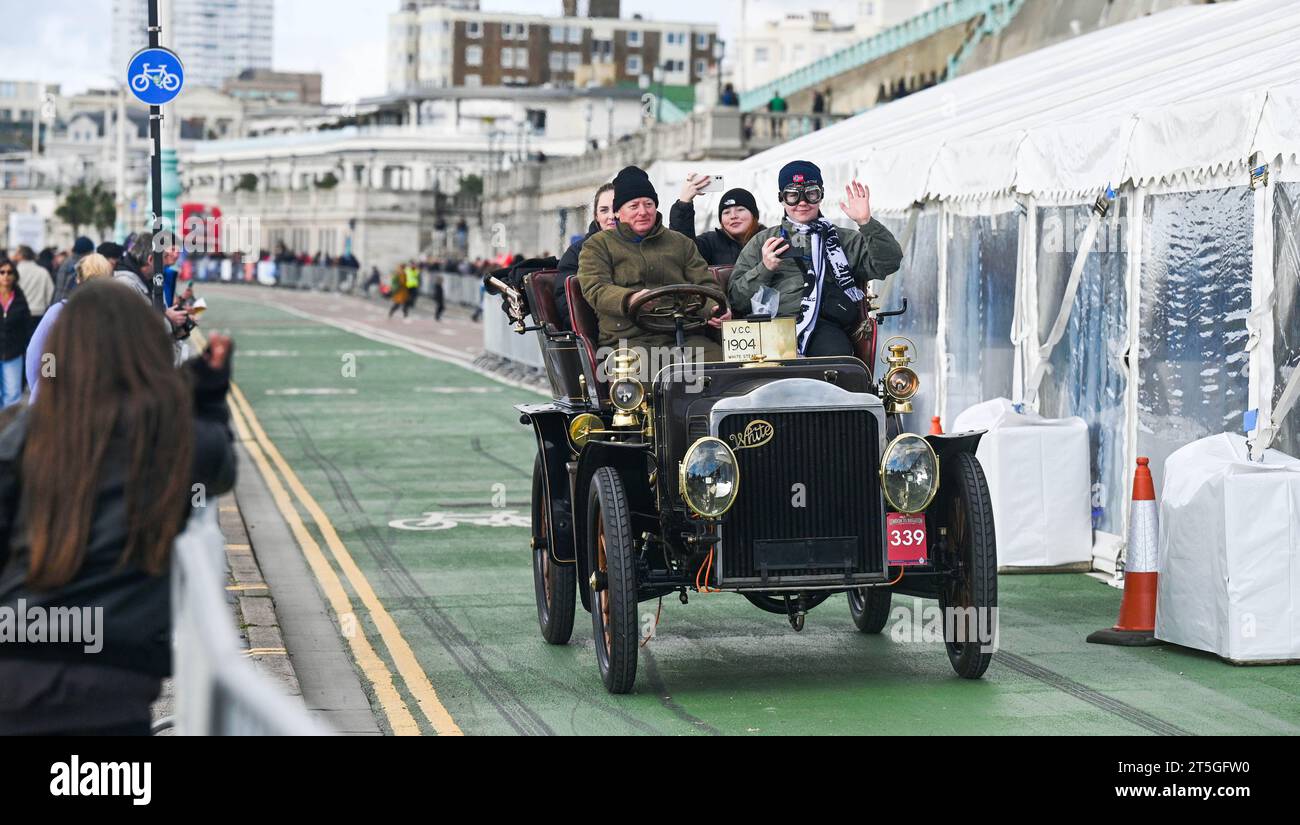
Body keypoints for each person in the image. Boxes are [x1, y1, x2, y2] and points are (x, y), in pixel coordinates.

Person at [0, 281, 236, 736]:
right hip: (115, 682)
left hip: (16, 668)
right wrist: (208, 401)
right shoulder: (170, 435)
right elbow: (220, 465)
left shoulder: (20, 432)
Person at [730, 160, 904, 358]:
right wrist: (764, 268)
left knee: (837, 362)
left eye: (811, 194)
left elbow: (889, 263)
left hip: (824, 327)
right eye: (793, 195)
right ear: (782, 199)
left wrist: (866, 223)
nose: (802, 202)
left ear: (821, 196)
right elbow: (736, 300)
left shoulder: (843, 240)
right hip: (771, 327)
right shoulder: (762, 241)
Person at [576, 166, 727, 361]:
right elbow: (595, 288)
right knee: (643, 377)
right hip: (626, 340)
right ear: (618, 213)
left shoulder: (681, 243)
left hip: (682, 335)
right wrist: (630, 299)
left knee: (722, 367)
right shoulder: (597, 245)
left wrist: (715, 308)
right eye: (634, 206)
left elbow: (705, 284)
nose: (643, 212)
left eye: (648, 204)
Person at [26, 253, 115, 405]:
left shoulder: (58, 312)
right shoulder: (116, 315)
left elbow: (36, 355)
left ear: (78, 279)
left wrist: (44, 384)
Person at [555, 182, 616, 329]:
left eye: (615, 209)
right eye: (604, 210)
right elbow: (566, 303)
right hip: (598, 330)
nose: (611, 216)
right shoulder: (577, 252)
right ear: (596, 216)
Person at [670, 176, 764, 266]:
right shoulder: (710, 243)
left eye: (740, 210)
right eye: (726, 212)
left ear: (754, 214)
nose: (733, 216)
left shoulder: (769, 239)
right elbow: (683, 251)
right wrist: (684, 203)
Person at [0, 261, 32, 407]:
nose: (5, 276)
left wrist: (25, 348)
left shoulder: (19, 299)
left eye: (9, 272)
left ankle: (8, 429)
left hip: (13, 353)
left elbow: (26, 326)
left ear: (14, 276)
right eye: (2, 272)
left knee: (12, 396)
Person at [11, 246, 53, 330]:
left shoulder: (14, 272)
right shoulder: (43, 272)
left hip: (19, 313)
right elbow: (50, 293)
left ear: (21, 255)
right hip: (39, 312)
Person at [53, 237, 93, 303]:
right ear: (88, 251)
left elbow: (59, 287)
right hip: (72, 303)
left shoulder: (66, 262)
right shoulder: (84, 264)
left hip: (60, 301)